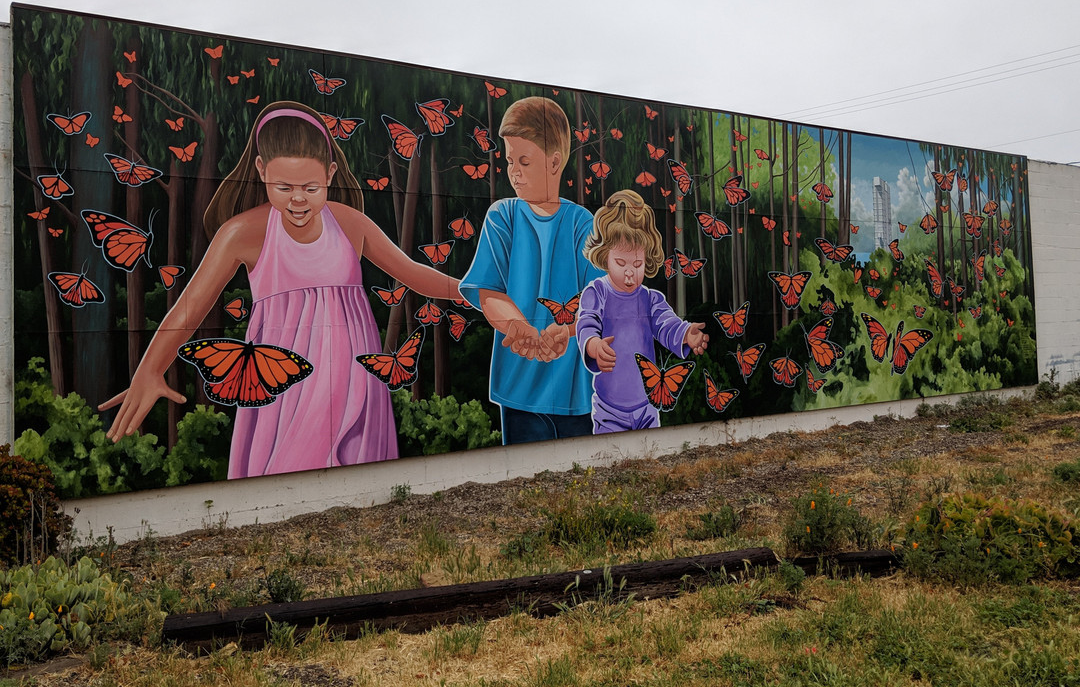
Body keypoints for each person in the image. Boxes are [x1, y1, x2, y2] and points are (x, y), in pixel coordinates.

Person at [101, 101, 460, 477]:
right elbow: (189, 308)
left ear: (331, 174)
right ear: (260, 171)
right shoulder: (242, 233)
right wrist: (149, 370)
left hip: (356, 384)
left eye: (311, 186)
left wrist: (474, 292)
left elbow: (413, 273)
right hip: (282, 384)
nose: (298, 198)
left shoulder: (350, 223)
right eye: (283, 186)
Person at [458, 97, 603, 444]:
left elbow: (595, 300)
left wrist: (563, 331)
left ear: (554, 162)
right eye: (509, 161)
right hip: (518, 388)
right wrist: (519, 329)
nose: (514, 171)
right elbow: (489, 292)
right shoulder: (502, 216)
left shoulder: (581, 223)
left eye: (524, 161)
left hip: (574, 392)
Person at [576, 190, 709, 433]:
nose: (629, 273)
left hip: (648, 406)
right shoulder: (597, 293)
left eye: (637, 264)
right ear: (605, 257)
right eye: (621, 263)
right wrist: (593, 346)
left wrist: (686, 334)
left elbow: (667, 324)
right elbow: (586, 323)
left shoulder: (650, 299)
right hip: (609, 409)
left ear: (647, 260)